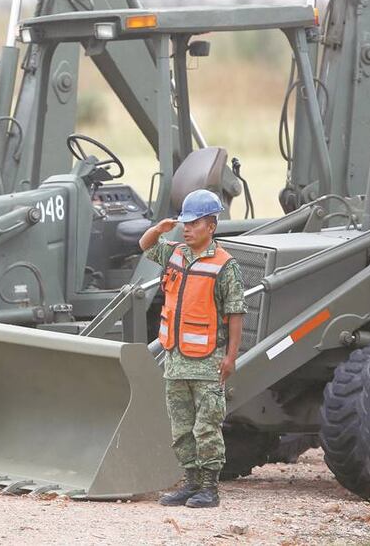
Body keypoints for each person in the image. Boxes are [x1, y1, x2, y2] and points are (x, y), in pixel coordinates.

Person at [138, 189, 246, 509]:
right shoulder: (174, 253)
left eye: (193, 223)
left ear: (211, 226)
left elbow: (236, 312)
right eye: (184, 222)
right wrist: (159, 229)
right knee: (181, 428)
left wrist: (231, 357)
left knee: (206, 427)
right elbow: (144, 246)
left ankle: (209, 489)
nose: (186, 228)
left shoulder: (226, 266)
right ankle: (190, 483)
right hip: (175, 359)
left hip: (208, 362)